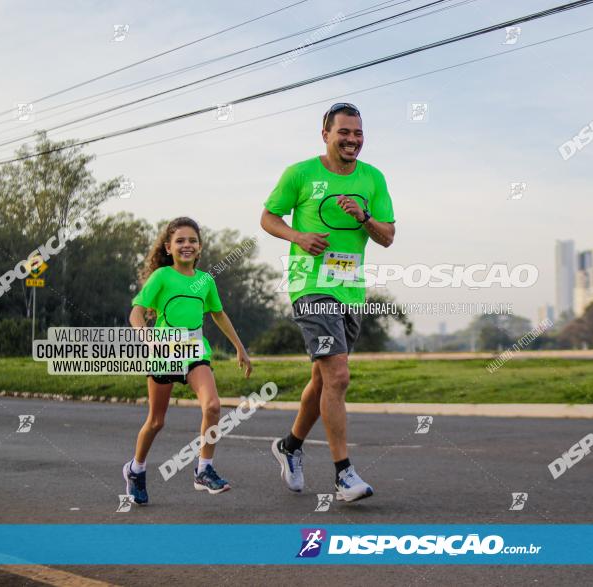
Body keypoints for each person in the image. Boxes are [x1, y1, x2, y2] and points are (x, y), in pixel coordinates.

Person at [261, 103, 395, 502]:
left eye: (358, 133)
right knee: (338, 376)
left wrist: (365, 217)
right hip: (311, 285)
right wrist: (298, 237)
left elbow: (387, 236)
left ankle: (290, 445)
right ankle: (343, 475)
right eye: (344, 133)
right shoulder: (300, 173)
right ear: (326, 134)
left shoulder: (373, 179)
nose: (352, 140)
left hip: (350, 290)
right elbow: (268, 217)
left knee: (323, 379)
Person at [123, 217, 252, 505]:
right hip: (164, 354)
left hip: (196, 352)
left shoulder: (205, 280)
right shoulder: (161, 277)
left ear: (200, 247)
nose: (186, 245)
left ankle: (203, 469)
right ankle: (136, 469)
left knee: (214, 406)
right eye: (180, 240)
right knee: (156, 421)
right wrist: (147, 336)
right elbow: (136, 313)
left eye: (192, 240)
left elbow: (218, 313)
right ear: (168, 247)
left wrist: (239, 347)